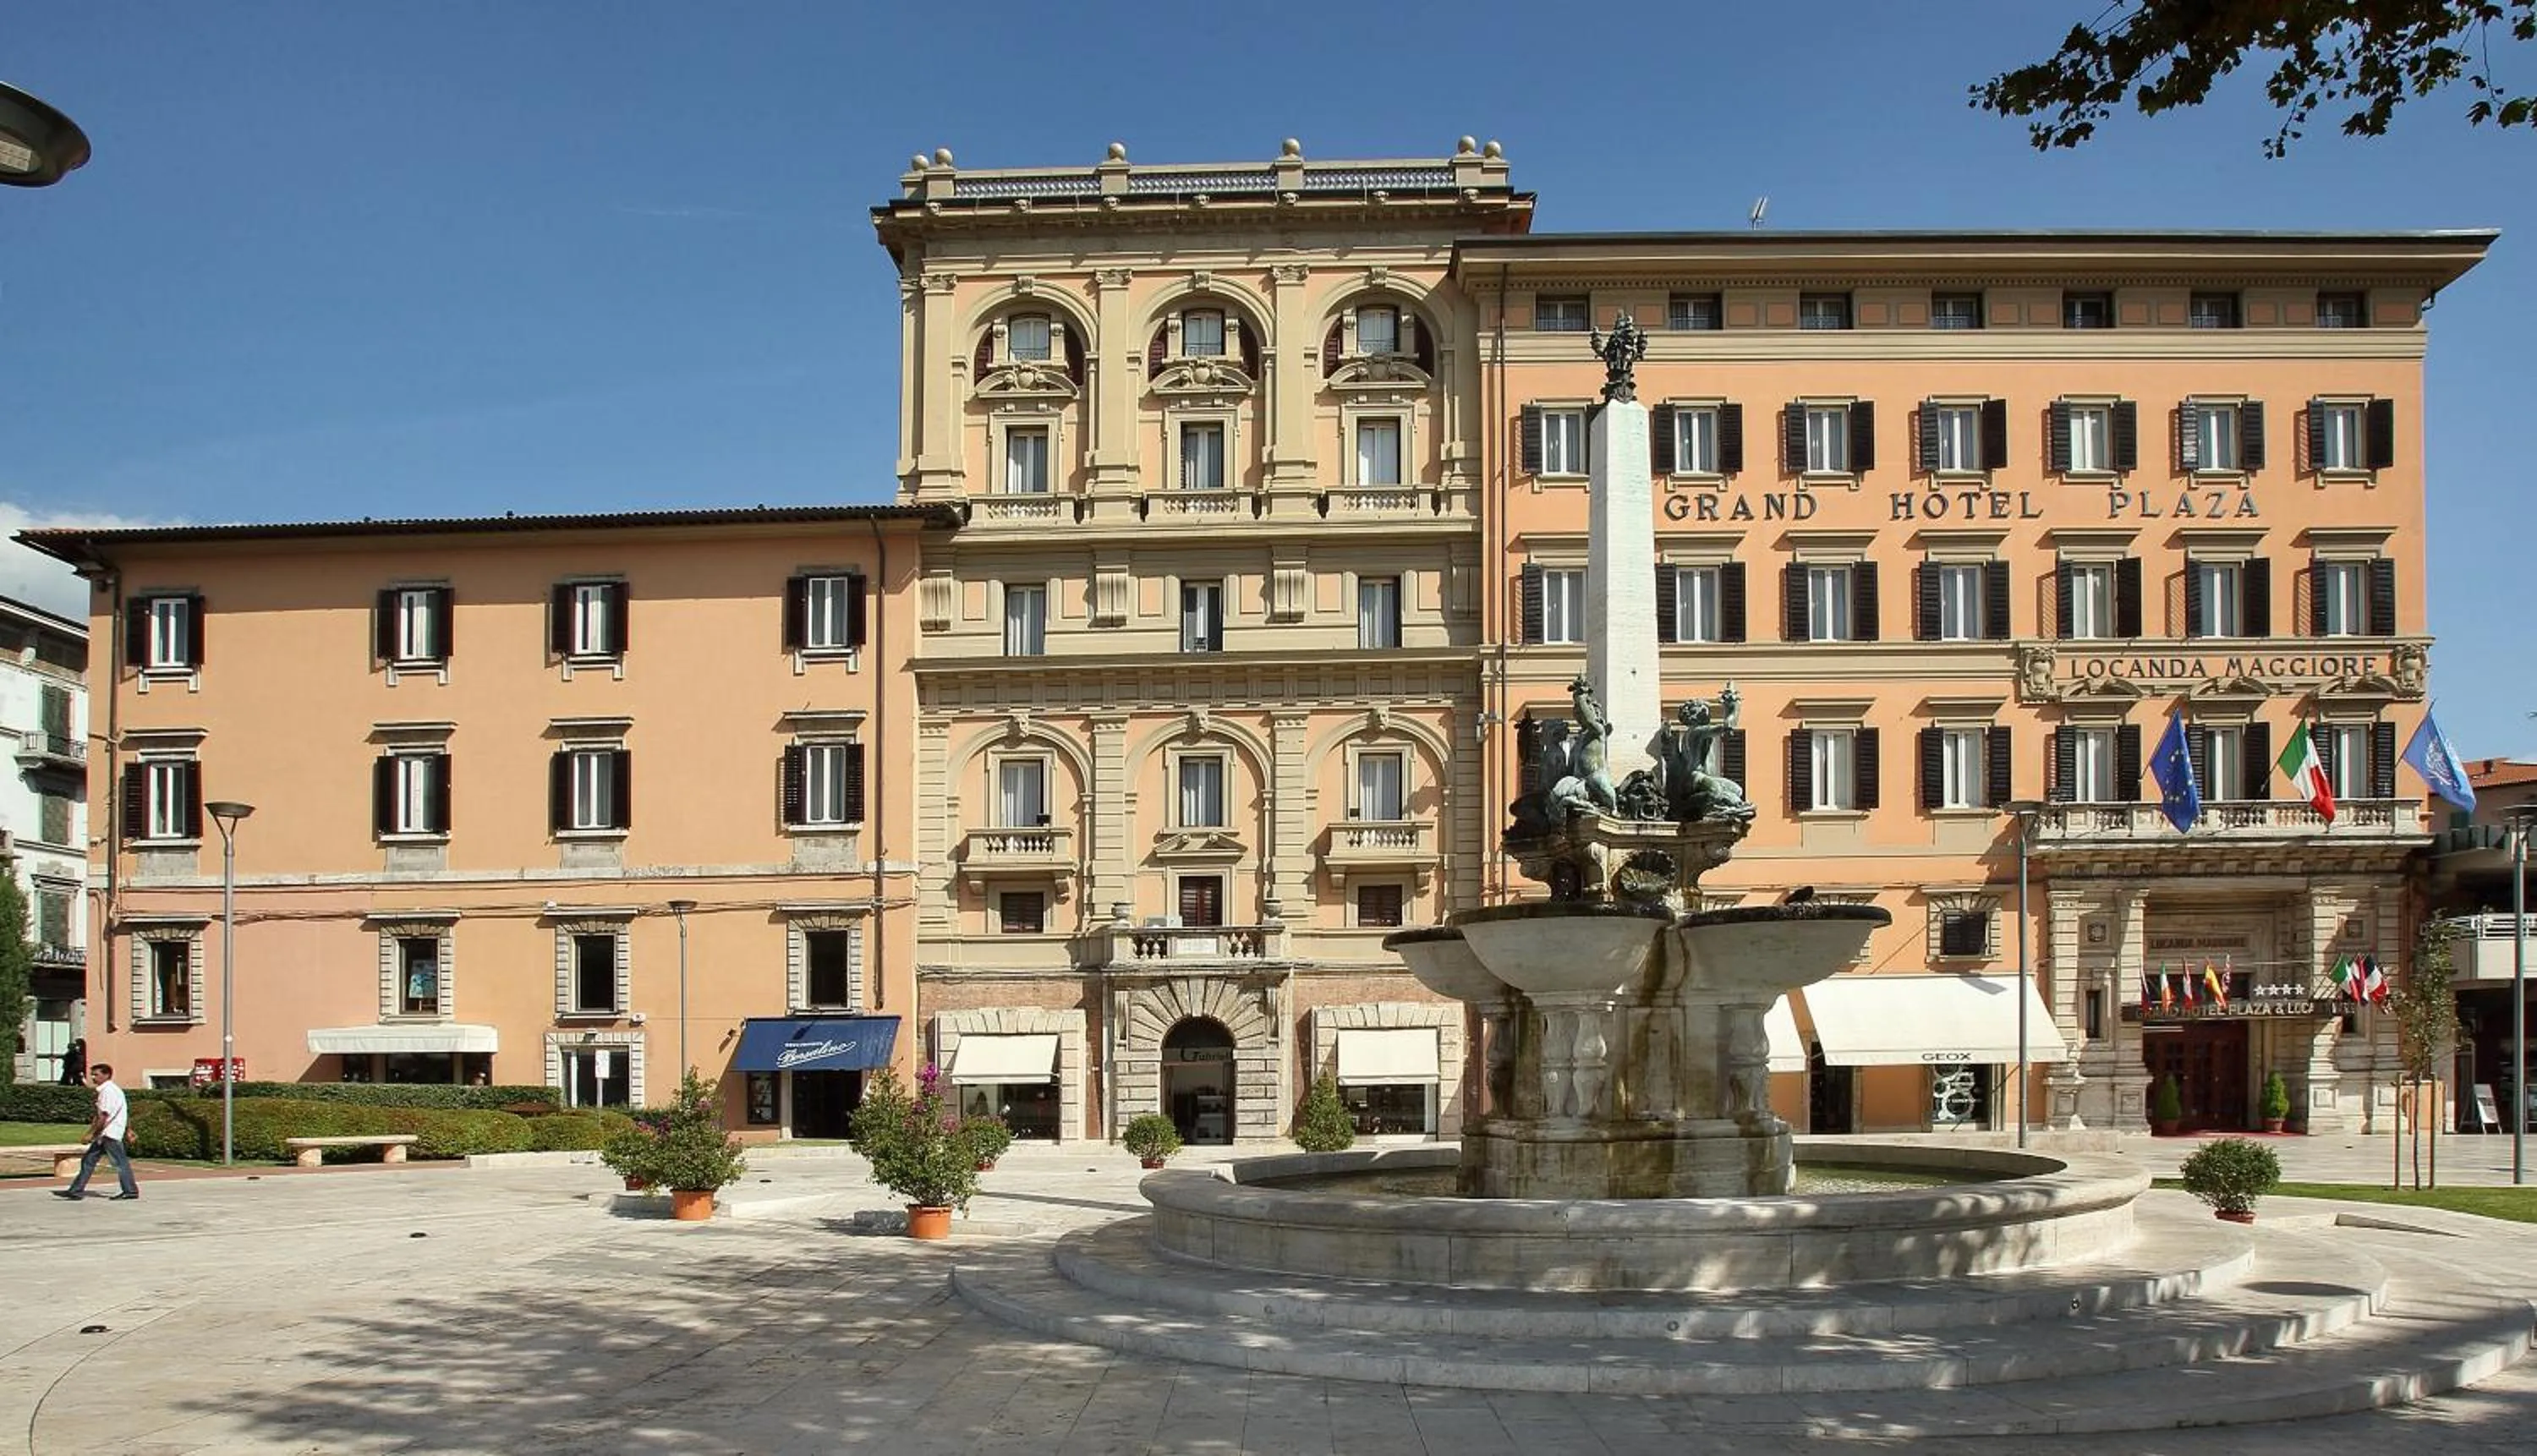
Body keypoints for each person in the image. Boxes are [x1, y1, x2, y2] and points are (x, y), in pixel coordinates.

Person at [55, 1063, 139, 1202]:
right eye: (92, 1074)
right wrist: (128, 1129)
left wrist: (91, 1134)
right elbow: (124, 1111)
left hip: (108, 1134)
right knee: (89, 1160)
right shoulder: (115, 1090)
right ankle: (76, 1190)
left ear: (106, 1075)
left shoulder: (107, 1092)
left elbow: (103, 1116)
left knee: (119, 1162)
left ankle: (130, 1190)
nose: (93, 1077)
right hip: (108, 1133)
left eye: (96, 1075)